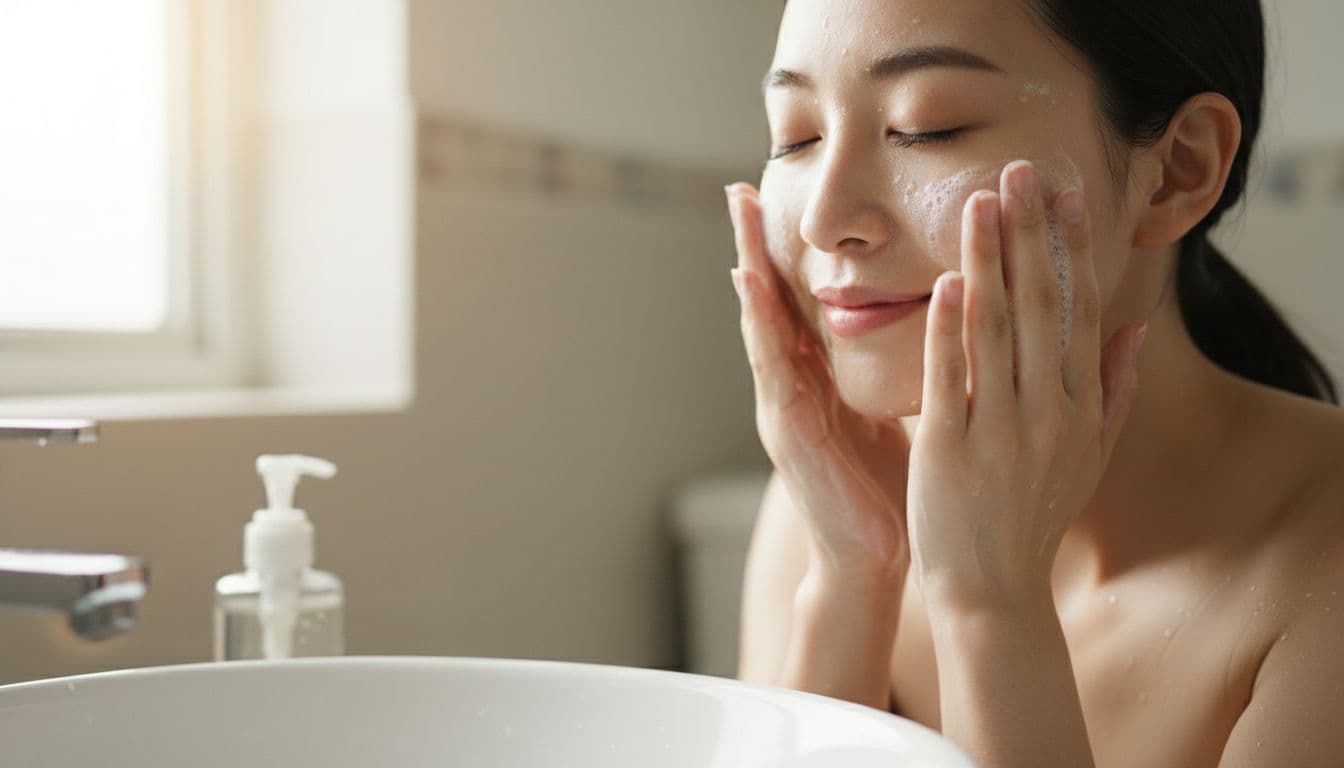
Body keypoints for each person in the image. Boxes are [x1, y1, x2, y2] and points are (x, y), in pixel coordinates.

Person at [725, 1, 1344, 766]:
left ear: (1179, 171)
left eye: (928, 128)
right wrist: (854, 583)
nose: (824, 219)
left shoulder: (1323, 564)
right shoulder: (829, 509)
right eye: (796, 137)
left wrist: (991, 609)